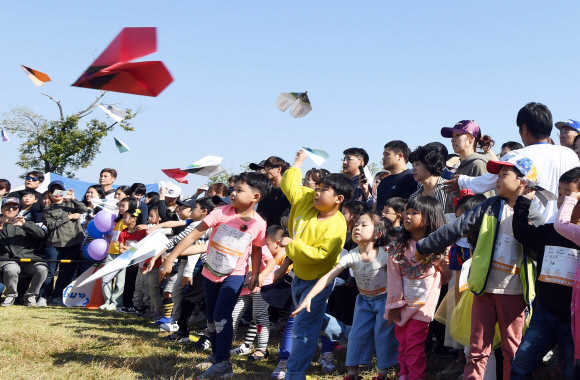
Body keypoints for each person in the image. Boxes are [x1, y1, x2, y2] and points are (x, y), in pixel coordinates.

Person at [415, 156, 544, 380]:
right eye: (498, 174)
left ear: (522, 182)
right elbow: (457, 227)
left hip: (513, 293)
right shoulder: (490, 206)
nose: (498, 179)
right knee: (476, 350)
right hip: (483, 289)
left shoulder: (533, 212)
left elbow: (540, 248)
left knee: (512, 350)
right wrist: (425, 246)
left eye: (504, 175)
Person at [162, 172, 271, 379]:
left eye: (239, 190)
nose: (233, 193)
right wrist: (171, 256)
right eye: (233, 189)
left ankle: (223, 363)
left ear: (255, 197)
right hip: (210, 272)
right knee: (211, 318)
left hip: (235, 275)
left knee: (222, 315)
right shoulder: (221, 212)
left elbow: (257, 249)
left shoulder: (259, 223)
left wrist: (256, 273)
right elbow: (194, 234)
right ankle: (215, 357)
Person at [293, 212, 399, 380]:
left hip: (384, 300)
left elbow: (397, 279)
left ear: (378, 234)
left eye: (364, 225)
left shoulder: (385, 255)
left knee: (383, 335)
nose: (357, 227)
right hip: (363, 301)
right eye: (356, 224)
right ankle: (352, 374)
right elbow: (327, 278)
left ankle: (383, 373)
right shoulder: (351, 255)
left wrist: (396, 303)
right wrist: (309, 297)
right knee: (356, 335)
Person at [279, 149, 354, 379]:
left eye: (323, 190)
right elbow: (289, 185)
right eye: (317, 188)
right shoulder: (306, 200)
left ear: (338, 199)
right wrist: (299, 160)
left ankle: (294, 374)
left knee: (303, 330)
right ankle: (349, 334)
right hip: (298, 277)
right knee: (314, 318)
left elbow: (320, 255)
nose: (317, 192)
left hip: (318, 282)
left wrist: (290, 245)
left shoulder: (336, 226)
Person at [448, 102, 580, 222]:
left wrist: (461, 181)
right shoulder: (570, 155)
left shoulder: (516, 156)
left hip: (526, 230)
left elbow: (490, 180)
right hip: (562, 228)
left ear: (524, 129)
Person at [509, 167, 580, 379]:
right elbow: (523, 233)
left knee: (571, 373)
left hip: (572, 321)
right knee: (520, 365)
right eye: (559, 193)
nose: (562, 199)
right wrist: (523, 203)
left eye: (569, 194)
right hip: (544, 314)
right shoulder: (549, 231)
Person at [383, 196, 449, 380]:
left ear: (428, 218)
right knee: (403, 343)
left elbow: (446, 279)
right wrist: (394, 306)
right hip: (401, 303)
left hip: (423, 305)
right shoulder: (397, 245)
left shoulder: (438, 246)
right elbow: (393, 277)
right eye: (407, 212)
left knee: (414, 345)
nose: (407, 216)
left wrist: (441, 262)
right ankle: (404, 374)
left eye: (414, 213)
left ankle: (415, 376)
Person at [230, 244, 276, 361]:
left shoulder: (257, 244)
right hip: (244, 286)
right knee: (233, 314)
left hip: (261, 284)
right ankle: (226, 344)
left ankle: (262, 349)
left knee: (259, 316)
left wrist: (263, 275)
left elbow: (271, 262)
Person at [0, 197, 47, 307]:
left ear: (18, 209)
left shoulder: (25, 221)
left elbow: (41, 235)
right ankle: (10, 296)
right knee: (11, 269)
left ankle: (31, 296)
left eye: (14, 207)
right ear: (2, 209)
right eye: (7, 207)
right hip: (7, 259)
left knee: (42, 269)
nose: (11, 209)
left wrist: (25, 224)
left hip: (28, 258)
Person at [441, 120, 495, 198]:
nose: (452, 139)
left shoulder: (478, 164)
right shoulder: (460, 167)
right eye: (453, 136)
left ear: (471, 138)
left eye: (458, 135)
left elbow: (485, 201)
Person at [101, 197, 136, 310]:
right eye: (120, 205)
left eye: (123, 206)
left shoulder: (131, 223)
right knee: (105, 278)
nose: (120, 208)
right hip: (111, 252)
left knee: (120, 281)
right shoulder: (117, 221)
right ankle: (107, 300)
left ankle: (116, 302)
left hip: (123, 255)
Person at [375, 140, 417, 211]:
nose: (384, 158)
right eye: (383, 155)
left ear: (400, 156)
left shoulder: (410, 178)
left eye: (387, 154)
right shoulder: (384, 181)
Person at [408, 145, 450, 211]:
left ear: (430, 164)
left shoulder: (449, 189)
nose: (413, 169)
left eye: (417, 164)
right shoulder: (414, 197)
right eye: (413, 166)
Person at [257, 156, 291, 226]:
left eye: (268, 168)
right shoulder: (266, 192)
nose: (265, 171)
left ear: (278, 169)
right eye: (265, 168)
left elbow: (279, 219)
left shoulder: (286, 192)